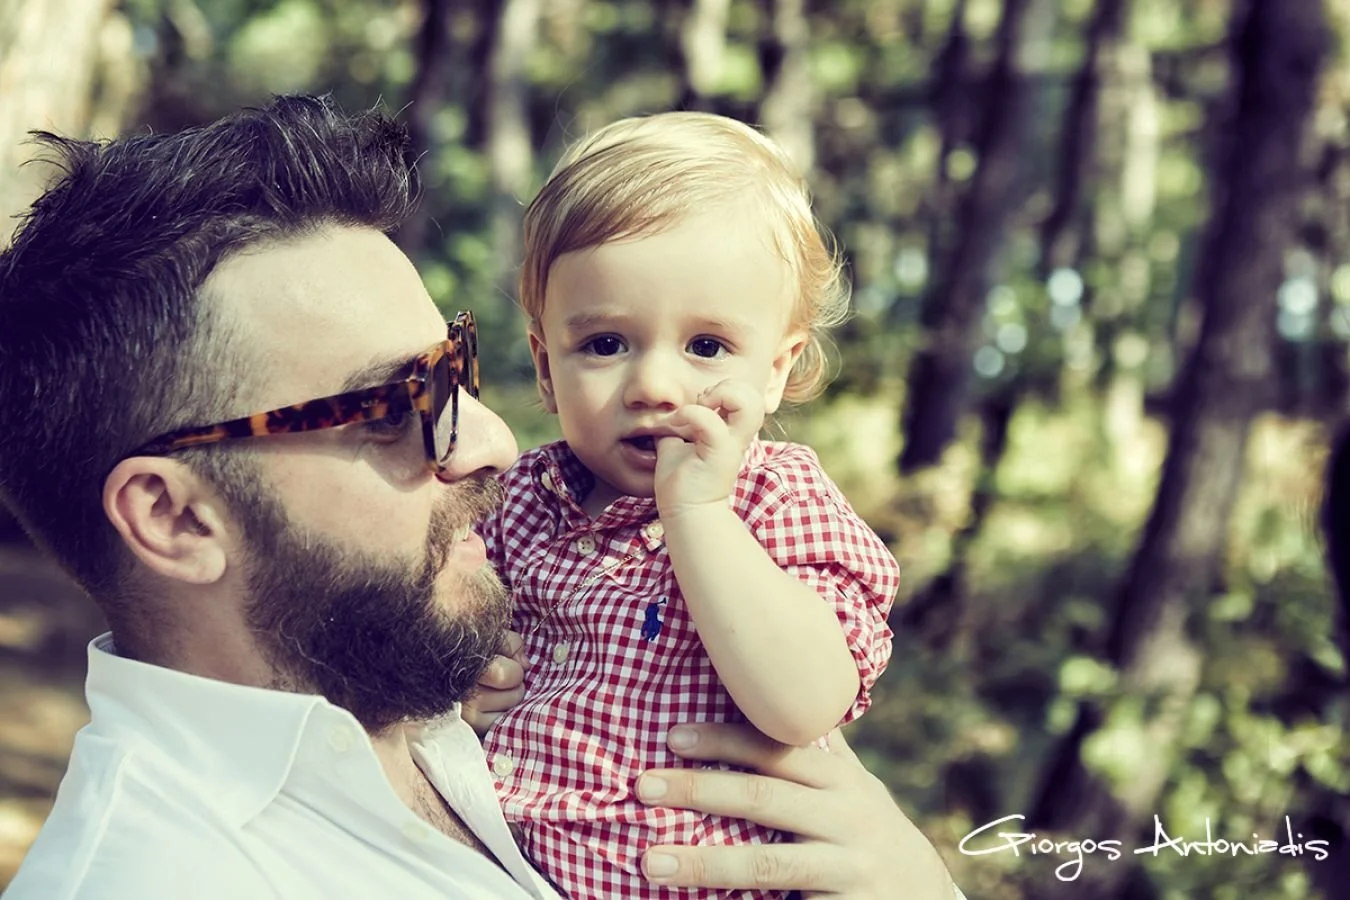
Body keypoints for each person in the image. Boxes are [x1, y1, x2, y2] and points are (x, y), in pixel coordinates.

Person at [0, 95, 961, 899]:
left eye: (455, 368)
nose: (498, 443)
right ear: (175, 517)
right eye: (389, 407)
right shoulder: (156, 876)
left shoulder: (417, 672)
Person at [467, 112, 900, 899]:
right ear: (544, 364)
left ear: (775, 369)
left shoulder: (774, 498)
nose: (654, 387)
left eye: (706, 347)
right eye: (605, 344)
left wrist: (698, 515)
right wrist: (464, 688)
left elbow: (805, 704)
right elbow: (429, 642)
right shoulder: (516, 502)